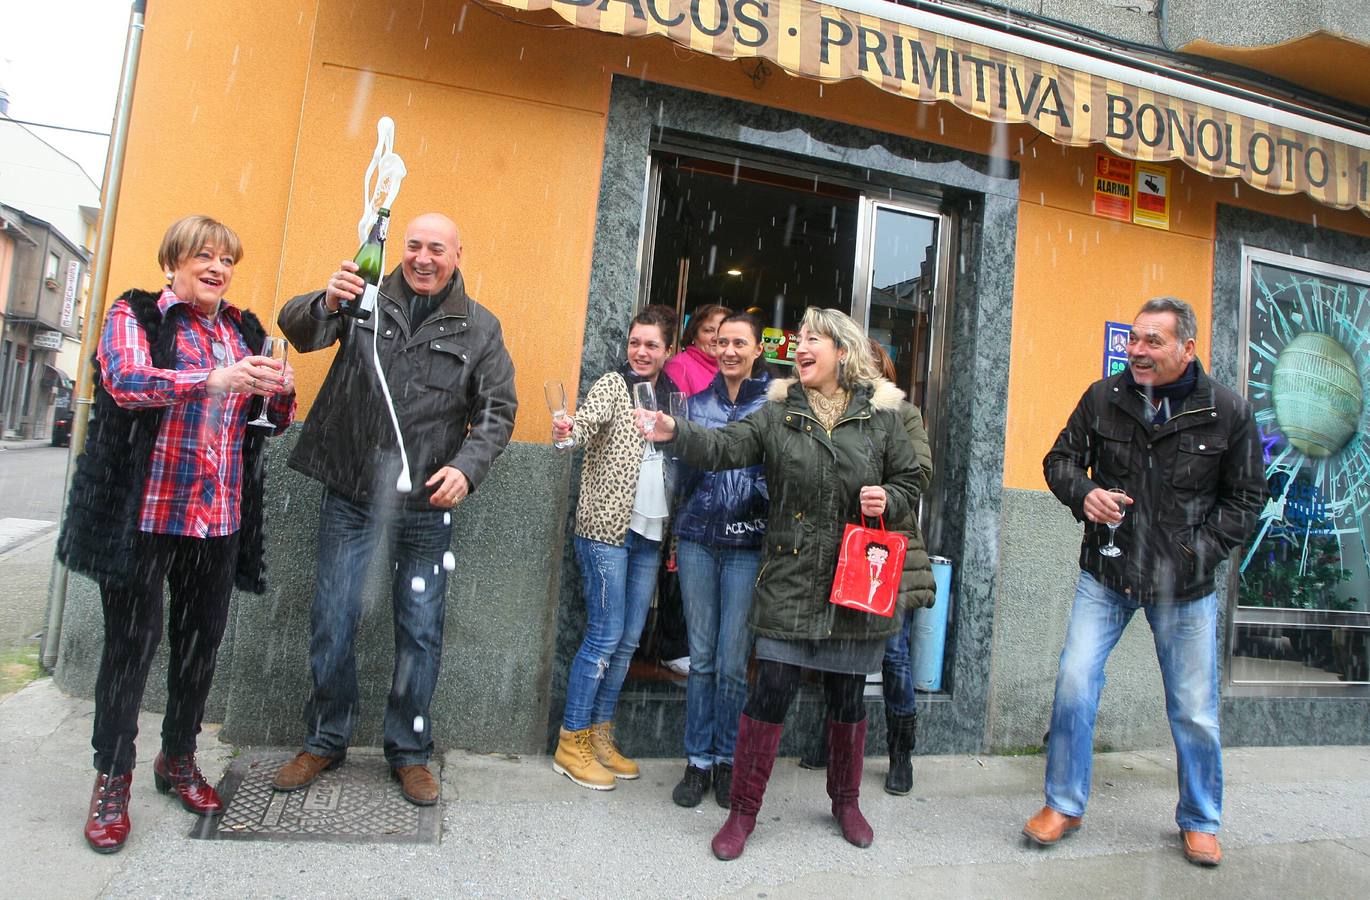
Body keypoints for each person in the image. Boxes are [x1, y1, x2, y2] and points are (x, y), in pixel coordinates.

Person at [643, 306, 922, 859]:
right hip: (791, 576)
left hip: (851, 578)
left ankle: (846, 801)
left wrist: (888, 498)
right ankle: (743, 812)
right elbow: (725, 448)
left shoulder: (882, 418)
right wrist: (676, 430)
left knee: (847, 697)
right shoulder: (778, 411)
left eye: (814, 338)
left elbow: (911, 477)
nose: (801, 347)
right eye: (799, 339)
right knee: (768, 691)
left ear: (842, 351)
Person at [58, 215, 296, 853]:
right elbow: (128, 383)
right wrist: (212, 380)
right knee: (130, 648)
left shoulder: (243, 330)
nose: (217, 268)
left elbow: (261, 420)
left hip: (216, 517)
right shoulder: (134, 316)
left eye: (227, 260)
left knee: (199, 645)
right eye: (204, 257)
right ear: (174, 264)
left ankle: (178, 759)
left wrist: (277, 394)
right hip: (145, 514)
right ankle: (112, 777)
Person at [273, 212, 516, 807]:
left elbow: (496, 412)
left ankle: (409, 752)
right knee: (332, 620)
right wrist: (326, 299)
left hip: (426, 508)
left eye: (437, 248)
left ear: (459, 254)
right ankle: (325, 739)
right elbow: (299, 331)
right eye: (413, 246)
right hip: (352, 496)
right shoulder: (365, 300)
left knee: (421, 633)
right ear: (399, 250)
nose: (423, 257)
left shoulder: (480, 328)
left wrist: (466, 466)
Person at [1025, 297, 1266, 867]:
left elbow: (1247, 498)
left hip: (1183, 586)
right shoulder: (1103, 397)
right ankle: (1063, 803)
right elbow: (1059, 460)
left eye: (1152, 341)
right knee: (1075, 683)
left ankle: (1201, 819)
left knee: (1194, 708)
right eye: (1133, 339)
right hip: (1107, 573)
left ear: (1188, 348)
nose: (1136, 350)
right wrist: (1084, 494)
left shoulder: (1227, 412)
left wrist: (1196, 552)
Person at [795, 338, 935, 797]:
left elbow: (918, 474)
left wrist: (881, 484)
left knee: (892, 655)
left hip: (886, 548)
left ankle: (900, 753)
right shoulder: (831, 409)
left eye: (872, 366)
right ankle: (832, 740)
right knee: (838, 651)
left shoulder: (902, 415)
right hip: (840, 545)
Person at [550, 305, 681, 790]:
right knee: (603, 636)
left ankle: (600, 733)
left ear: (668, 350)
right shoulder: (611, 385)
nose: (641, 352)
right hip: (606, 530)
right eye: (635, 342)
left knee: (626, 642)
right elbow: (579, 431)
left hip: (649, 532)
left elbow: (675, 465)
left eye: (651, 344)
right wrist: (566, 432)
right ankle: (572, 739)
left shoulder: (672, 398)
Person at [669, 313, 770, 810]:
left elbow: (781, 473)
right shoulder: (695, 405)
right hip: (697, 542)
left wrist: (753, 494)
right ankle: (697, 761)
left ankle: (728, 759)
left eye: (739, 343)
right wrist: (676, 525)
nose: (728, 350)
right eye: (721, 340)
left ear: (757, 349)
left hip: (747, 547)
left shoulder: (774, 407)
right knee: (702, 659)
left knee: (733, 664)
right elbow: (680, 473)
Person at [663, 303, 730, 397]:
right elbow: (677, 410)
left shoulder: (728, 368)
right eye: (708, 330)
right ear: (694, 335)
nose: (716, 338)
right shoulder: (679, 367)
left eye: (722, 331)